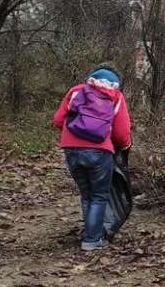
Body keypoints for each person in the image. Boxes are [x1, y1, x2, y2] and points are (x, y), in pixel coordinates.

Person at [53, 65, 132, 251]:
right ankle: (92, 239)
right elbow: (121, 133)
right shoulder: (115, 96)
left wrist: (74, 136)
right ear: (115, 81)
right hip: (99, 152)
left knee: (86, 194)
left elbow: (58, 120)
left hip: (71, 150)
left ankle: (89, 233)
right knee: (99, 195)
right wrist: (124, 146)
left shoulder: (76, 91)